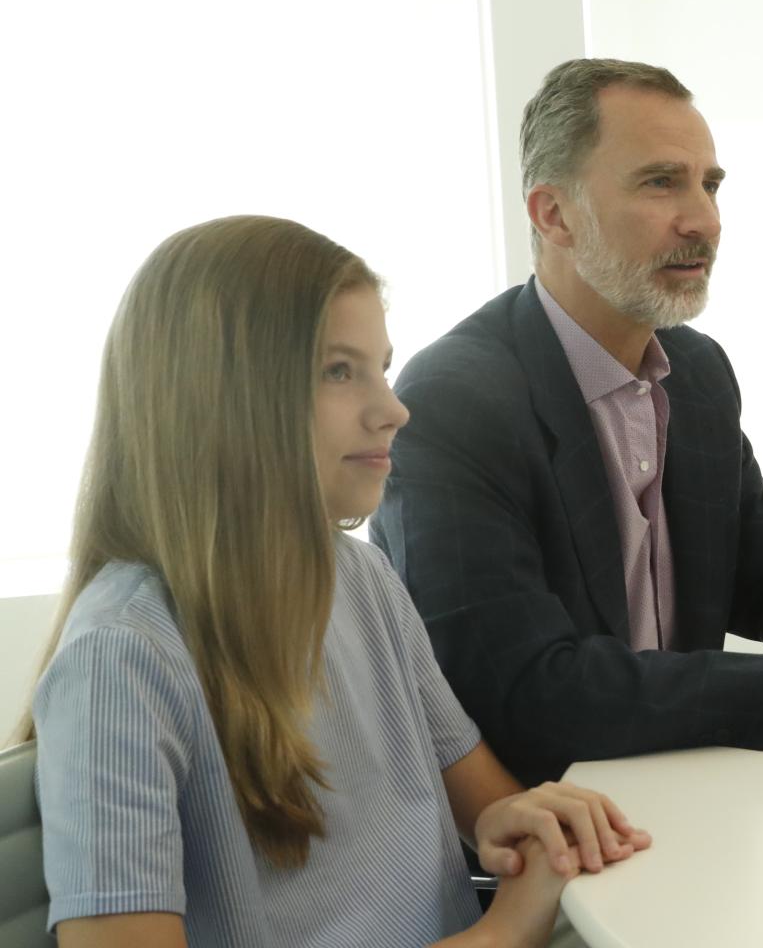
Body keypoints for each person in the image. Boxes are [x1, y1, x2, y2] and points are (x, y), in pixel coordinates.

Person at [24, 216, 649, 947]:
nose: (393, 409)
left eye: (381, 368)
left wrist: (516, 822)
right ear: (221, 394)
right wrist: (504, 931)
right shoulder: (120, 661)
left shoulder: (362, 577)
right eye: (339, 371)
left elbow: (479, 803)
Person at [370, 58, 763, 785]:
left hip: (694, 795)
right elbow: (528, 693)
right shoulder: (456, 401)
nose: (704, 220)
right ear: (552, 214)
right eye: (661, 183)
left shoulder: (697, 373)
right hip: (556, 828)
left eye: (709, 185)